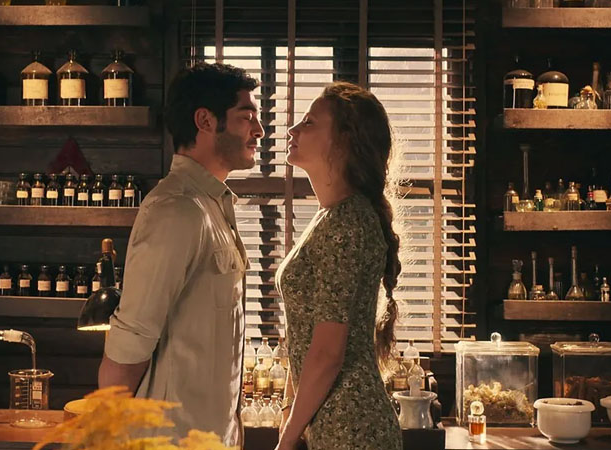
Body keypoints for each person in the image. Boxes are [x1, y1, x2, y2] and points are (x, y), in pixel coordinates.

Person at [98, 62, 264, 446]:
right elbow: (130, 343)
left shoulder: (212, 205)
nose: (258, 130)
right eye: (246, 117)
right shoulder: (176, 209)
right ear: (205, 121)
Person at [275, 82, 403, 450]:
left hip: (353, 429)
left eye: (308, 123)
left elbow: (328, 353)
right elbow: (304, 338)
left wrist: (286, 441)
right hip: (334, 426)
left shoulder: (348, 221)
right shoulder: (331, 217)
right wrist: (288, 414)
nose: (292, 130)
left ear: (344, 141)